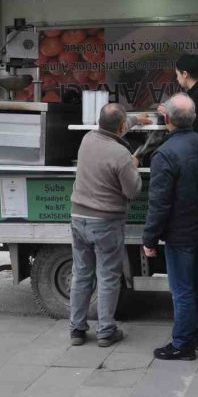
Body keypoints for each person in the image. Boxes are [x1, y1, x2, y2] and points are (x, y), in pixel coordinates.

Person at [143, 93, 198, 361]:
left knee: (182, 289)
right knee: (197, 285)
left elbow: (159, 202)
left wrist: (150, 238)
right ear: (194, 117)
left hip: (180, 232)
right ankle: (196, 335)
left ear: (166, 119)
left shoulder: (164, 154)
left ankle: (183, 344)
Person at [69, 103, 142, 348]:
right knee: (108, 277)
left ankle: (77, 329)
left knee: (81, 275)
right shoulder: (121, 155)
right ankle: (105, 331)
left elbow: (115, 128)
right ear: (121, 127)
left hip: (78, 218)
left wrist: (135, 121)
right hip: (106, 222)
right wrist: (135, 165)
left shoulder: (87, 139)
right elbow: (133, 191)